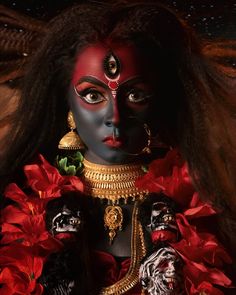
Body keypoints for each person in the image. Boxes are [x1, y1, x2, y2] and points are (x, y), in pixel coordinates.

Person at [0, 1, 236, 294]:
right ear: (67, 104)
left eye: (136, 94)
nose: (114, 117)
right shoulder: (24, 211)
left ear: (161, 102)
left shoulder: (202, 209)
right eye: (92, 95)